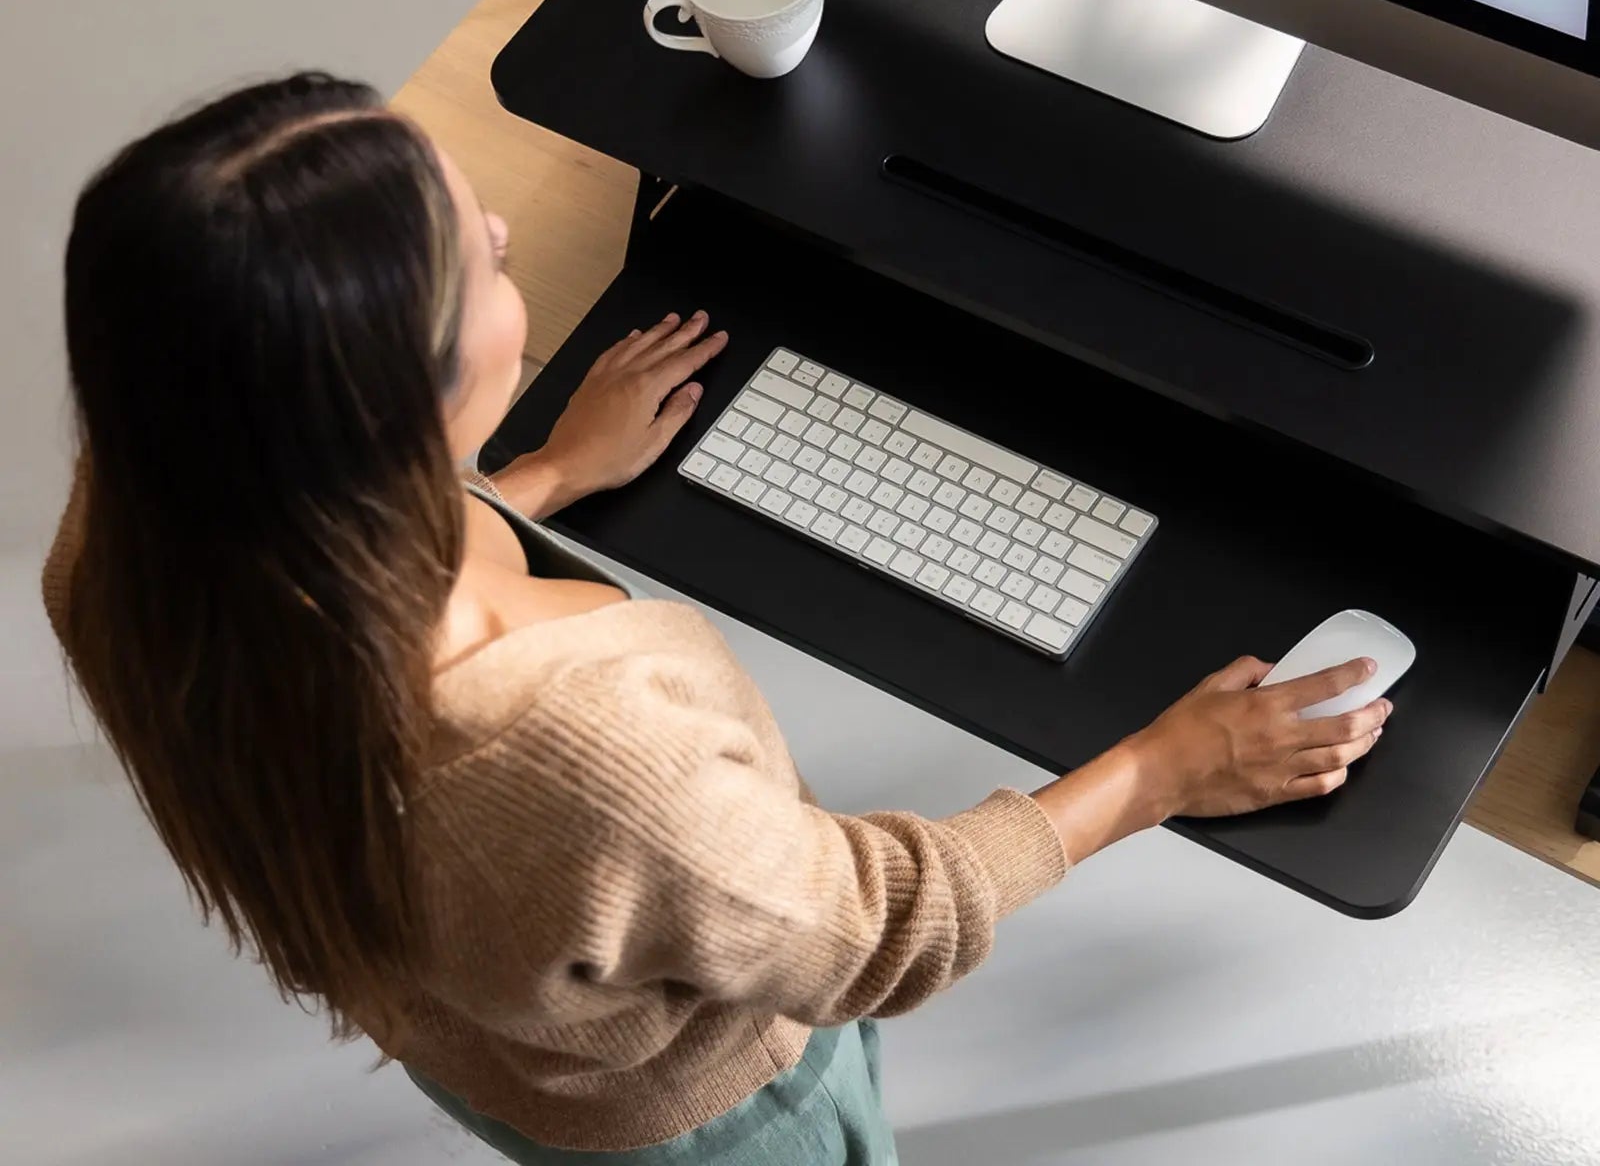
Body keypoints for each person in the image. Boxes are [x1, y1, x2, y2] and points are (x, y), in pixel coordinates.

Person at [43, 74, 1391, 1164]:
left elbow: (334, 556)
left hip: (491, 1045)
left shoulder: (132, 530)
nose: (510, 233)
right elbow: (871, 928)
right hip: (722, 1115)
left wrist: (535, 483)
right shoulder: (584, 755)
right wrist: (1165, 769)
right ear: (391, 420)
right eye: (476, 263)